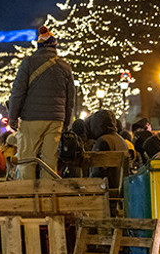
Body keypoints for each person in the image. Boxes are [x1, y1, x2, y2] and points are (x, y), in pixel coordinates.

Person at [8, 25, 75, 179]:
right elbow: (70, 99)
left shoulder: (29, 63)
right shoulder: (65, 66)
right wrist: (66, 122)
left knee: (26, 159)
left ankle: (28, 196)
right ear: (54, 46)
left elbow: (18, 92)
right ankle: (48, 196)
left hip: (32, 118)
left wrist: (13, 116)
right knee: (50, 161)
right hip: (56, 120)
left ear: (39, 46)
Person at [87, 110, 129, 178]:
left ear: (98, 125)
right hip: (120, 184)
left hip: (107, 185)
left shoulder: (102, 141)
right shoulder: (121, 139)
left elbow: (97, 171)